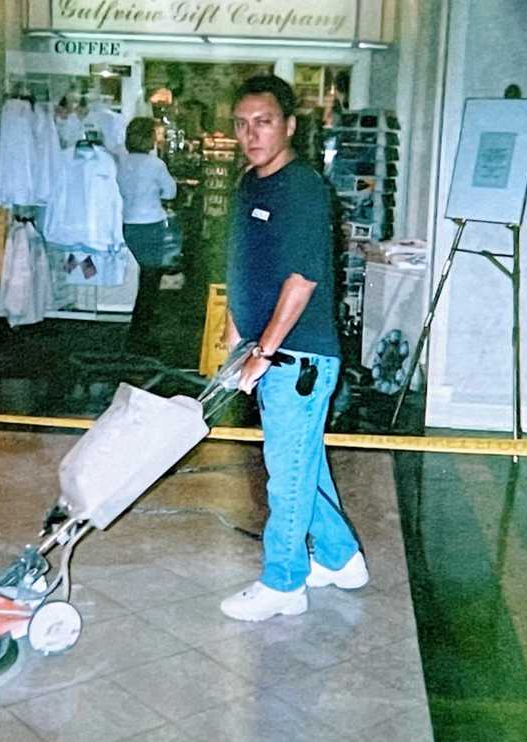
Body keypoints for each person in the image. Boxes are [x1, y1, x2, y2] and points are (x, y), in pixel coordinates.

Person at [220, 75, 368, 622]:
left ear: (288, 125)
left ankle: (283, 582)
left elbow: (301, 279)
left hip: (297, 356)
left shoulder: (302, 188)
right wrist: (234, 342)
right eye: (242, 123)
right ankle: (341, 558)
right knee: (302, 463)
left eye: (263, 122)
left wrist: (264, 351)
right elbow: (245, 269)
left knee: (286, 473)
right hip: (267, 349)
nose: (251, 134)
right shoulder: (249, 185)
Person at [116, 117, 177, 354]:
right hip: (151, 226)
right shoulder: (155, 165)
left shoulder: (121, 162)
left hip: (128, 224)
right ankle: (140, 337)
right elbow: (170, 191)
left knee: (141, 280)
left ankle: (138, 329)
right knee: (150, 284)